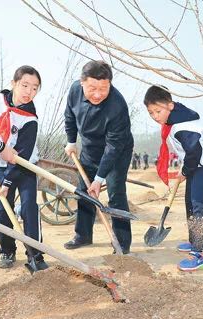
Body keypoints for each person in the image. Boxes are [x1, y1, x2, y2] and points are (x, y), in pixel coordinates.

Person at [144, 85, 203, 271]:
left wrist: (184, 171)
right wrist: (186, 170)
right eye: (151, 113)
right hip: (196, 167)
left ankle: (201, 252)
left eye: (158, 111)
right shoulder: (175, 122)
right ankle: (194, 241)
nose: (155, 116)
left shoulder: (183, 125)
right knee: (190, 204)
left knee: (201, 207)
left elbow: (194, 151)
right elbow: (188, 152)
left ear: (170, 106)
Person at [0, 65, 48, 270]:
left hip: (25, 167)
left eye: (35, 88)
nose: (29, 92)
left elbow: (22, 155)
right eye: (25, 85)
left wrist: (8, 183)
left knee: (29, 207)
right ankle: (7, 251)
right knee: (1, 210)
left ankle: (35, 253)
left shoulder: (31, 119)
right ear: (14, 84)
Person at [64, 60, 134, 254]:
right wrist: (71, 141)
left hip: (116, 152)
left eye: (103, 88)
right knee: (84, 191)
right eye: (92, 88)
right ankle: (83, 235)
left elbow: (113, 147)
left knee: (115, 192)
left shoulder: (117, 105)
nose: (97, 94)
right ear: (82, 82)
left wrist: (99, 178)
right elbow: (69, 116)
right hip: (89, 147)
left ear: (110, 84)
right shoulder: (75, 90)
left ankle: (121, 242)